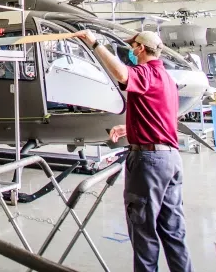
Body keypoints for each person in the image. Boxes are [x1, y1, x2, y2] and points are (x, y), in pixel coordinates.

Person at [75, 29, 193, 272]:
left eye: (133, 46)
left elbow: (121, 73)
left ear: (140, 48)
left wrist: (94, 43)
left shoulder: (145, 73)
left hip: (149, 162)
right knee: (173, 230)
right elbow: (161, 115)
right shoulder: (165, 78)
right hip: (170, 158)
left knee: (143, 231)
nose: (130, 50)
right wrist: (130, 128)